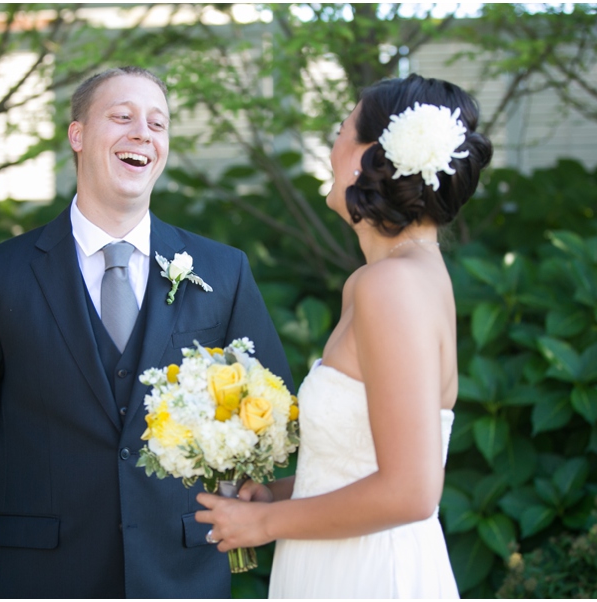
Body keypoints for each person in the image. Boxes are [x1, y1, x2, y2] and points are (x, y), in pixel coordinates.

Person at [0, 66, 292, 598]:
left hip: (181, 571)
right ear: (78, 135)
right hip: (46, 573)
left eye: (157, 123)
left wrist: (226, 497)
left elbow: (270, 405)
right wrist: (30, 503)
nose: (143, 132)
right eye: (123, 117)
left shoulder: (223, 271)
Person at [196, 74, 493, 598]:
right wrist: (280, 496)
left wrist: (263, 527)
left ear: (369, 157)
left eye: (340, 130)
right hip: (335, 561)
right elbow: (365, 463)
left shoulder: (393, 286)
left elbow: (410, 492)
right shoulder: (389, 278)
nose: (331, 147)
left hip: (371, 573)